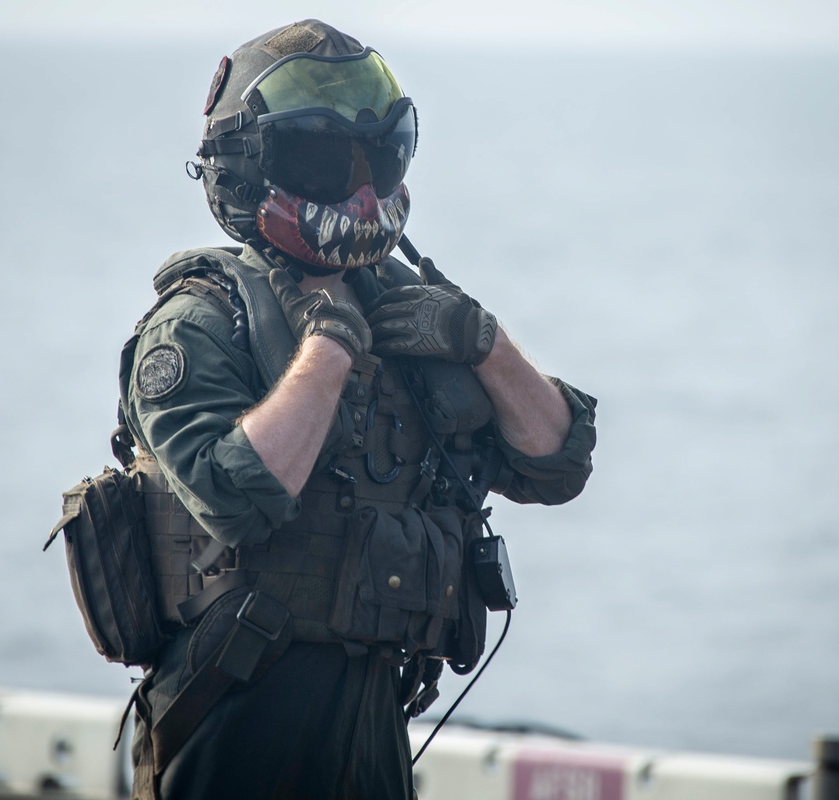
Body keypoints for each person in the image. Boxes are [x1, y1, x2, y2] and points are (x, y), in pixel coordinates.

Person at [123, 19, 597, 800]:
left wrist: (481, 341)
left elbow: (557, 462)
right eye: (321, 160)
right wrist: (332, 345)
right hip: (233, 711)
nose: (363, 190)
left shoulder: (410, 315)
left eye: (380, 155)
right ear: (246, 170)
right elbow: (237, 498)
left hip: (375, 722)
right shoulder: (200, 323)